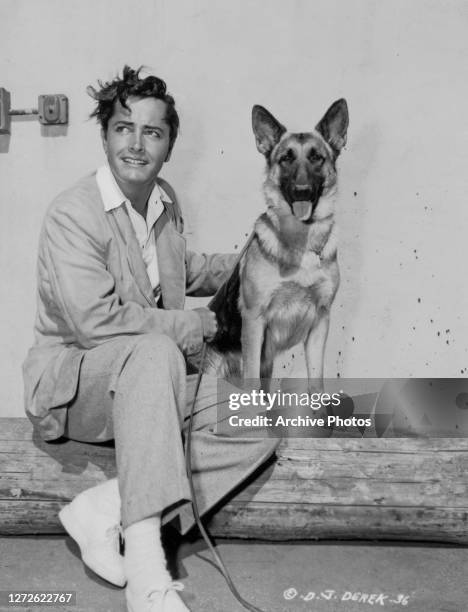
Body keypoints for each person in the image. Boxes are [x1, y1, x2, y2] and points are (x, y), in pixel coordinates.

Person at [22, 66, 279, 612]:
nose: (136, 144)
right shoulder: (74, 213)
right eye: (124, 128)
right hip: (75, 385)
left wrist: (261, 258)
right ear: (106, 135)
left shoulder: (162, 201)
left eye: (152, 133)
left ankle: (107, 505)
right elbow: (95, 322)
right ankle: (147, 575)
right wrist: (191, 326)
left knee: (257, 419)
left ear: (168, 146)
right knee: (157, 348)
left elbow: (180, 270)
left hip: (145, 385)